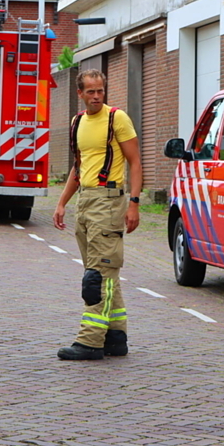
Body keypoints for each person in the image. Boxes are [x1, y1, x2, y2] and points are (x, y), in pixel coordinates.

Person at [52, 69, 142, 360]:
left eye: (100, 91)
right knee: (104, 271)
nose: (95, 96)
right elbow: (79, 167)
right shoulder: (77, 121)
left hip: (109, 199)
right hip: (86, 201)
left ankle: (90, 341)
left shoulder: (117, 119)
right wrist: (62, 202)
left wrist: (134, 203)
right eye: (90, 92)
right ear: (80, 93)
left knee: (97, 275)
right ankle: (116, 336)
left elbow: (135, 161)